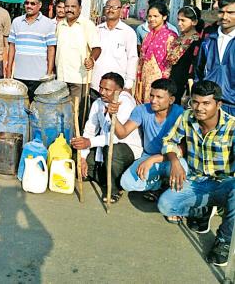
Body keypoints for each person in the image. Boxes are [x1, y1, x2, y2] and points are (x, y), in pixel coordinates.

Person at [157, 80, 235, 266]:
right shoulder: (187, 117)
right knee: (165, 205)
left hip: (224, 183)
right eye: (195, 102)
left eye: (206, 103)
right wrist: (175, 161)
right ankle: (203, 209)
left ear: (218, 104)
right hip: (196, 180)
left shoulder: (232, 126)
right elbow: (168, 141)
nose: (199, 108)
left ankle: (224, 240)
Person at [108, 79, 185, 218]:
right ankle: (159, 184)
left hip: (171, 158)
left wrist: (155, 159)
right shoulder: (142, 109)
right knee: (126, 183)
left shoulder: (181, 114)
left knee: (182, 170)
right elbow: (122, 132)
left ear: (171, 99)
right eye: (152, 95)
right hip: (148, 156)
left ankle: (174, 205)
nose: (153, 100)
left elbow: (183, 148)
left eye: (159, 97)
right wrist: (112, 115)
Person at [71, 72, 142, 203]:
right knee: (79, 164)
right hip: (103, 146)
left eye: (107, 90)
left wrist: (89, 142)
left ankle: (115, 189)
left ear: (118, 91)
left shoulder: (126, 103)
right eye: (100, 88)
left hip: (125, 149)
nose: (102, 92)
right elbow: (90, 131)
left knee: (112, 151)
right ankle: (106, 175)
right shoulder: (98, 103)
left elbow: (117, 137)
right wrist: (83, 156)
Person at [55, 0, 101, 126]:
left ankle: (77, 143)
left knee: (78, 114)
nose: (69, 9)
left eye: (73, 6)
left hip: (79, 79)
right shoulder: (60, 24)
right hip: (61, 78)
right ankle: (63, 141)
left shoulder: (87, 25)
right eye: (67, 6)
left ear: (80, 8)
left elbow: (97, 47)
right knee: (62, 112)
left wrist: (92, 59)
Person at [6, 0, 56, 101]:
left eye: (33, 3)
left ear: (40, 5)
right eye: (27, 3)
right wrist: (9, 69)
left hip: (39, 76)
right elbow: (12, 47)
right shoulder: (16, 22)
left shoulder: (49, 24)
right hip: (19, 75)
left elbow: (51, 49)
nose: (29, 6)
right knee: (19, 107)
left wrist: (48, 73)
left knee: (36, 107)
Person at [195, 0, 235, 116]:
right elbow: (199, 72)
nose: (224, 16)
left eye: (231, 12)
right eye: (221, 12)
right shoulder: (208, 41)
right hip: (208, 106)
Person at [92, 0, 138, 96]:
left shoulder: (128, 32)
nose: (110, 10)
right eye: (108, 7)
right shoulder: (97, 30)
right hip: (96, 84)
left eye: (114, 7)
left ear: (121, 10)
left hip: (116, 87)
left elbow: (132, 58)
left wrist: (129, 84)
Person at [135, 1, 177, 104]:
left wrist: (165, 84)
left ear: (164, 17)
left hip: (160, 81)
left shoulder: (170, 36)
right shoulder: (147, 36)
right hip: (144, 80)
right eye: (149, 16)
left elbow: (171, 63)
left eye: (156, 16)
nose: (152, 19)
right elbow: (141, 59)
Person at [167, 6, 203, 104]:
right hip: (173, 81)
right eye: (178, 20)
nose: (179, 23)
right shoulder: (180, 37)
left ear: (194, 22)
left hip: (185, 84)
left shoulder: (197, 42)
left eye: (183, 20)